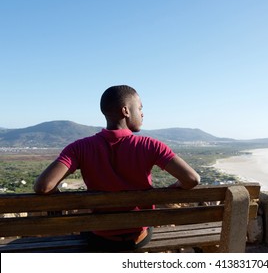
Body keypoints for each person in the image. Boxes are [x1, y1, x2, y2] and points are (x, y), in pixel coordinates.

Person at [34, 85, 200, 251]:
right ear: (126, 111)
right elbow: (192, 179)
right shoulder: (150, 146)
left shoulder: (79, 148)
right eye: (140, 108)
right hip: (138, 238)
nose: (142, 113)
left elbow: (43, 186)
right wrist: (173, 188)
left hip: (100, 237)